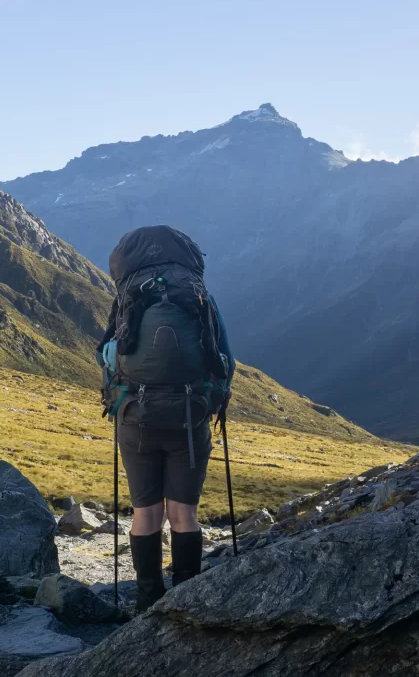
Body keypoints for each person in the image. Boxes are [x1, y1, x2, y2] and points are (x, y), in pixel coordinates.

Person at [97, 225, 235, 611]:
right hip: (188, 420)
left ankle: (147, 602)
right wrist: (212, 401)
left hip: (135, 419)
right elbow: (225, 360)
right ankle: (187, 600)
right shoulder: (200, 298)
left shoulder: (127, 296)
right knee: (183, 513)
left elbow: (107, 354)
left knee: (146, 513)